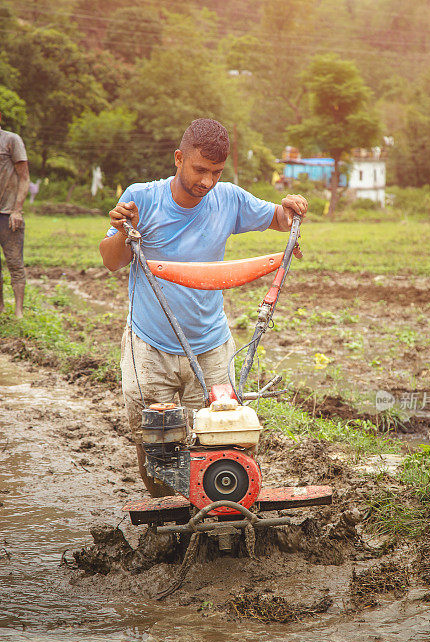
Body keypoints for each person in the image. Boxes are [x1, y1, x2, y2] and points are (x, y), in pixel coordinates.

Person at [99, 118, 307, 497]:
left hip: (210, 344)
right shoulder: (142, 199)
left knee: (226, 439)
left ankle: (219, 514)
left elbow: (278, 218)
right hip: (150, 345)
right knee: (156, 443)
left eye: (216, 172)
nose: (207, 182)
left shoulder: (228, 198)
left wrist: (290, 208)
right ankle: (165, 518)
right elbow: (112, 260)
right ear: (179, 158)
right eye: (199, 170)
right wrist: (125, 230)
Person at [0, 111, 30, 318]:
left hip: (8, 214)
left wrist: (17, 209)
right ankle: (1, 308)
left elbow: (24, 177)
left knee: (14, 263)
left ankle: (18, 311)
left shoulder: (11, 140)